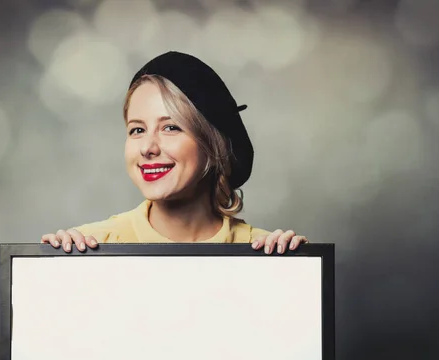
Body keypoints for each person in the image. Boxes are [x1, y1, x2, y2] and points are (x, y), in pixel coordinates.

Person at [41, 51, 308, 254]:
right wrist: (61, 268)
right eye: (137, 130)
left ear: (213, 144)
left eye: (170, 127)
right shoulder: (91, 246)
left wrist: (293, 270)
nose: (147, 148)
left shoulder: (262, 252)